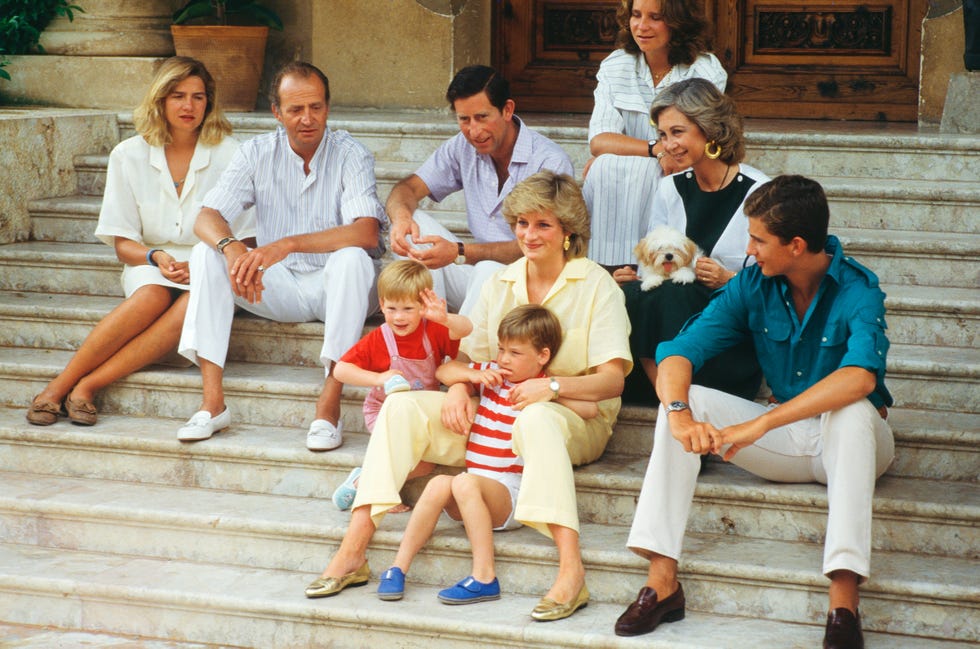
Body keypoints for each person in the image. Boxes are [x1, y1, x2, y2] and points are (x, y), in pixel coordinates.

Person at [306, 171, 631, 625]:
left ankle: (571, 572)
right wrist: (459, 386)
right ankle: (354, 550)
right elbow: (466, 357)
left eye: (543, 225)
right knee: (401, 405)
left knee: (535, 419)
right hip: (495, 413)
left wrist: (551, 386)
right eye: (521, 223)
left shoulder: (598, 285)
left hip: (572, 418)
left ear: (568, 232)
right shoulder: (502, 281)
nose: (528, 234)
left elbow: (612, 382)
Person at [615, 175, 895, 649]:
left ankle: (843, 603)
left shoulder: (857, 288)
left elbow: (861, 378)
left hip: (853, 442)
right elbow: (680, 351)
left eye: (758, 239)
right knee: (686, 399)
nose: (749, 249)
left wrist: (763, 420)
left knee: (850, 411)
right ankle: (662, 581)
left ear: (797, 244)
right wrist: (681, 412)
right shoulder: (752, 285)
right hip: (787, 445)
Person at [26, 56, 254, 427]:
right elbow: (122, 243)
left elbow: (245, 235)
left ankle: (86, 386)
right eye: (178, 95)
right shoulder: (127, 155)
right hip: (150, 262)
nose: (188, 106)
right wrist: (157, 256)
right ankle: (57, 386)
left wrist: (204, 261)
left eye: (198, 97)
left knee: (197, 299)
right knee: (152, 295)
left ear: (209, 103)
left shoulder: (231, 153)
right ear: (160, 100)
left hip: (211, 261)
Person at [175, 61, 387, 450]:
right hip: (280, 287)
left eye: (317, 107)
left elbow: (366, 231)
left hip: (341, 286)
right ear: (277, 112)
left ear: (327, 106)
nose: (308, 119)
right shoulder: (256, 152)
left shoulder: (351, 154)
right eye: (295, 110)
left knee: (353, 257)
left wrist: (286, 243)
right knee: (206, 255)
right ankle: (212, 403)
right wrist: (233, 247)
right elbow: (206, 217)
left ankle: (330, 403)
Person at [374, 304, 599, 604]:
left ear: (542, 356)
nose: (504, 359)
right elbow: (444, 369)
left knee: (464, 482)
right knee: (439, 483)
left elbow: (591, 408)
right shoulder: (492, 374)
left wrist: (552, 390)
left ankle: (484, 576)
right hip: (472, 493)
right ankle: (398, 567)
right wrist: (470, 377)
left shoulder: (539, 387)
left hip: (508, 495)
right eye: (501, 349)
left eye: (515, 353)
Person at [617, 77, 767, 405]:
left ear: (710, 129)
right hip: (671, 328)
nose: (668, 145)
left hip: (726, 337)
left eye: (677, 132)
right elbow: (655, 260)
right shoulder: (670, 188)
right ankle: (670, 398)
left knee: (675, 295)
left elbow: (777, 282)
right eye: (662, 134)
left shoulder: (759, 192)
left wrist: (728, 280)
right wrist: (635, 277)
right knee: (628, 291)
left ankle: (676, 403)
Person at [386, 64, 573, 316]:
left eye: (482, 117)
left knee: (487, 271)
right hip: (478, 278)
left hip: (531, 286)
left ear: (507, 110)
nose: (473, 131)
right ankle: (426, 338)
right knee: (413, 223)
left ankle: (463, 354)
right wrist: (401, 219)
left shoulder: (549, 161)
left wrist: (460, 252)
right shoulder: (461, 147)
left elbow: (545, 242)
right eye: (464, 119)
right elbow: (407, 188)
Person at [583, 0, 727, 271]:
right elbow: (600, 141)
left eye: (655, 17)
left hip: (685, 169)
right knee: (604, 166)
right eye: (636, 15)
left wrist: (628, 150)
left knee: (615, 166)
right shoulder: (616, 65)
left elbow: (698, 142)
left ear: (677, 21)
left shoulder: (704, 70)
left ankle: (643, 267)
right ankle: (605, 269)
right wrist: (657, 149)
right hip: (645, 166)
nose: (641, 26)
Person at [329, 259, 472, 512]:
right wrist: (378, 378)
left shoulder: (434, 330)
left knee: (427, 464)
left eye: (408, 308)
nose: (399, 317)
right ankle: (380, 494)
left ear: (423, 305)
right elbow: (340, 370)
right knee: (403, 455)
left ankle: (364, 478)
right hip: (384, 412)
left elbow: (466, 328)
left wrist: (445, 318)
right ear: (381, 304)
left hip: (420, 414)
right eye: (392, 308)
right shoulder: (379, 338)